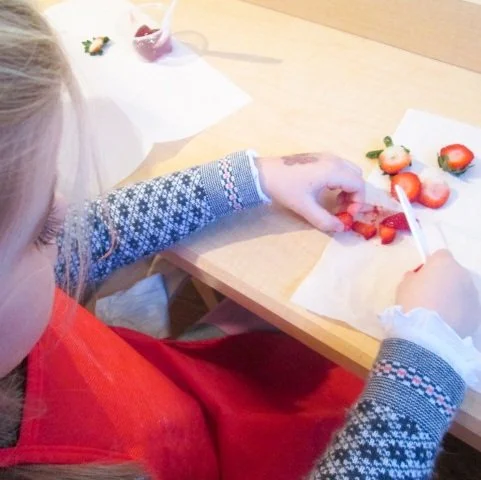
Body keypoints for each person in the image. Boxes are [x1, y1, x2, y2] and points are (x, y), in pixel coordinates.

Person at [0, 1, 479, 480]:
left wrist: (252, 179)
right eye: (43, 229)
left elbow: (84, 242)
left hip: (187, 406)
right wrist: (425, 360)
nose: (66, 214)